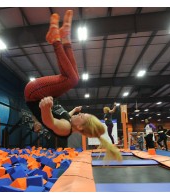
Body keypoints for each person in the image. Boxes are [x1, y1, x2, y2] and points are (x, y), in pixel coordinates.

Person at [24, 10, 122, 161]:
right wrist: (74, 110)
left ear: (81, 127)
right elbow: (64, 116)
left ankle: (57, 40)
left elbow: (51, 122)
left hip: (34, 94)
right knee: (72, 76)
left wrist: (45, 108)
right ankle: (65, 38)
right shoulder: (70, 121)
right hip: (41, 94)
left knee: (73, 80)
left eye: (82, 116)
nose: (80, 114)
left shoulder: (65, 129)